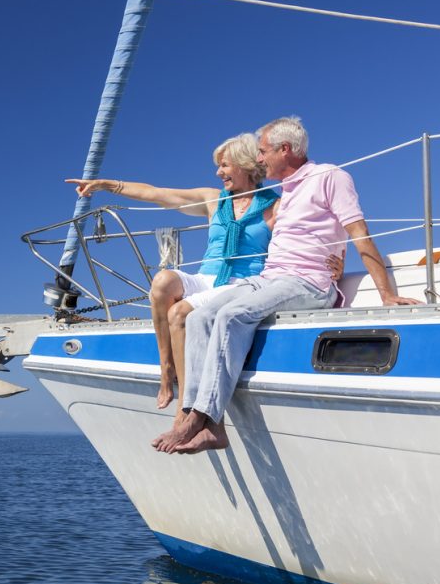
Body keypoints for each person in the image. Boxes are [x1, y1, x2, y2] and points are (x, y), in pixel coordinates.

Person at [159, 116, 421, 455]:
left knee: (232, 315)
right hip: (269, 278)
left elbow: (358, 232)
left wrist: (386, 293)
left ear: (286, 150)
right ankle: (214, 426)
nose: (259, 159)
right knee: (199, 316)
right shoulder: (286, 191)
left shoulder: (330, 177)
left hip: (307, 282)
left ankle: (199, 415)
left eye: (264, 152)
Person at [67, 133, 281, 420]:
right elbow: (157, 194)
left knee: (180, 313)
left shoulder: (275, 205)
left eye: (225, 166)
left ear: (244, 165)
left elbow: (299, 237)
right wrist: (106, 185)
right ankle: (166, 368)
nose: (219, 172)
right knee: (163, 281)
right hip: (207, 277)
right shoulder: (214, 200)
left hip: (241, 283)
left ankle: (184, 404)